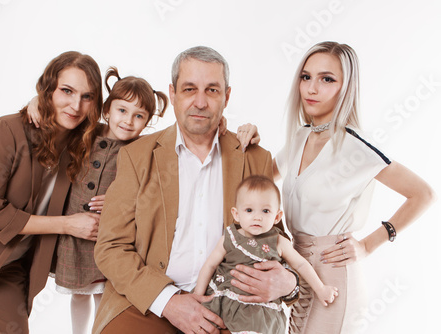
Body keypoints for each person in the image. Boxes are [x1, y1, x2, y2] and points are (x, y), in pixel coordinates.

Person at [93, 46, 299, 334]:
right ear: (173, 93)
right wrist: (168, 301)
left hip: (232, 304)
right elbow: (111, 248)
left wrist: (289, 283)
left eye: (212, 90)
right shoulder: (137, 155)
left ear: (226, 97)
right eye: (190, 89)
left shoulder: (254, 157)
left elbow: (275, 238)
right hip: (148, 302)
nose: (200, 102)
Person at [272, 41, 436, 333]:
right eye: (306, 76)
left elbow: (423, 194)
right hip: (298, 270)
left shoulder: (355, 146)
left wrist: (368, 245)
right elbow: (262, 179)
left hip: (333, 276)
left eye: (327, 79)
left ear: (346, 87)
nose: (311, 88)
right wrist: (245, 137)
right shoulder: (300, 136)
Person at [0, 51, 104, 334]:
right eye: (66, 91)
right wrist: (68, 225)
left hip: (5, 263)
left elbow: (129, 123)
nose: (76, 105)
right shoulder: (6, 130)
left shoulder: (89, 142)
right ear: (48, 89)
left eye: (87, 96)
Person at [27, 66, 168, 334]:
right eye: (122, 111)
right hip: (75, 235)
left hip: (112, 236)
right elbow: (57, 115)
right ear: (107, 110)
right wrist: (36, 101)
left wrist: (127, 200)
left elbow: (157, 187)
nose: (128, 121)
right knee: (80, 293)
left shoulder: (143, 150)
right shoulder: (86, 131)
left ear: (148, 121)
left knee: (106, 294)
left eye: (139, 116)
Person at [194, 175, 338, 334]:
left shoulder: (278, 242)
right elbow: (210, 265)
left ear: (277, 216)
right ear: (236, 214)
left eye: (265, 210)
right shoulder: (229, 237)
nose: (257, 216)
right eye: (249, 210)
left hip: (259, 311)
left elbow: (301, 264)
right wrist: (197, 297)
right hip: (226, 299)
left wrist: (321, 288)